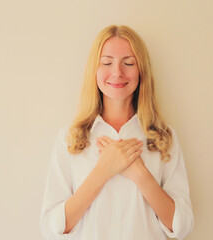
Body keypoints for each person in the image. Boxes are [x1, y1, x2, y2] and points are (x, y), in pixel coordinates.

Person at [40, 24, 194, 240]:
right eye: (107, 62)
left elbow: (182, 225)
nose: (117, 72)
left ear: (141, 70)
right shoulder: (70, 138)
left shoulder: (163, 138)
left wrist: (140, 174)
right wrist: (103, 171)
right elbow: (51, 228)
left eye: (128, 63)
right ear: (94, 69)